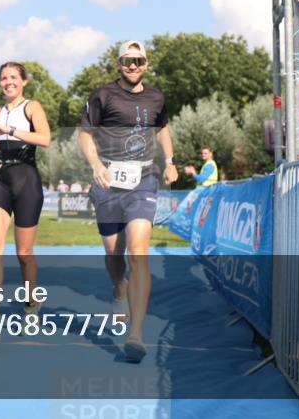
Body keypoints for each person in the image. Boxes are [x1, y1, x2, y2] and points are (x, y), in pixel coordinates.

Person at [78, 40, 178, 363]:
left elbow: (162, 129)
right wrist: (95, 166)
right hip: (108, 181)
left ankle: (136, 334)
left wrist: (171, 160)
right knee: (113, 255)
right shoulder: (102, 95)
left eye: (138, 61)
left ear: (146, 63)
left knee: (138, 252)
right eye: (127, 61)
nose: (133, 66)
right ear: (119, 64)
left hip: (143, 179)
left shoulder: (156, 97)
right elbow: (84, 134)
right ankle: (118, 288)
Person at [0, 62, 52, 338]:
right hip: (0, 179)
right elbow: (2, 141)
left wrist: (6, 131)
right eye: (3, 78)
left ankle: (32, 301)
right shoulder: (2, 111)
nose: (7, 82)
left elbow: (44, 139)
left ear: (24, 81)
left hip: (26, 180)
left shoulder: (32, 106)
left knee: (24, 254)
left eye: (12, 77)